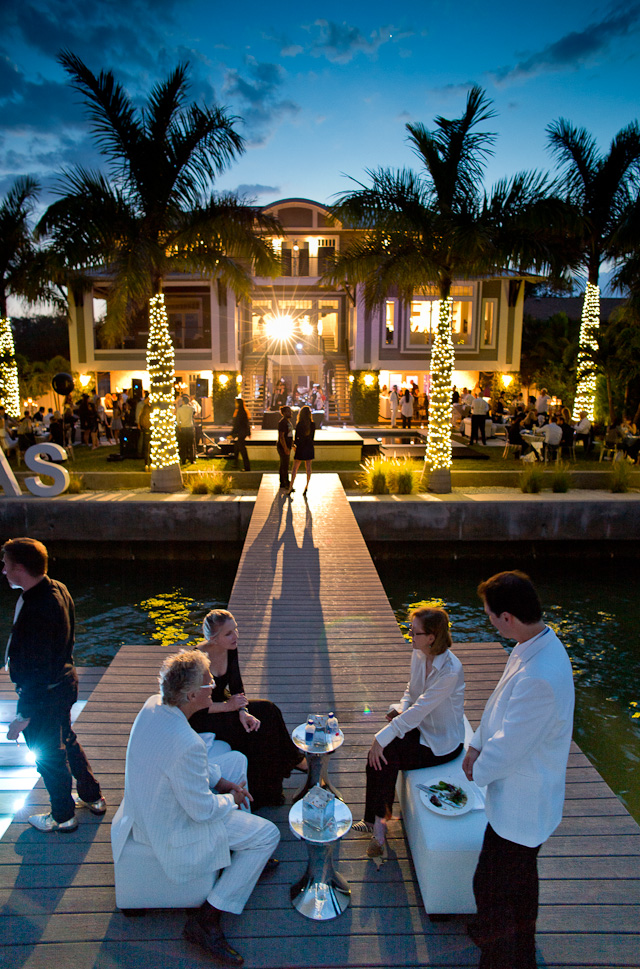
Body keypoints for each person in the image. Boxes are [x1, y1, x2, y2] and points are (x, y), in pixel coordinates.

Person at [111, 649, 280, 967]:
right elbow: (201, 810)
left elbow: (184, 764)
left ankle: (241, 854)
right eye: (208, 681)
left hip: (150, 802)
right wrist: (232, 798)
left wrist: (223, 783)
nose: (214, 682)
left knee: (236, 764)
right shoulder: (184, 744)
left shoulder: (155, 707)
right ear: (191, 694)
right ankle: (206, 921)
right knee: (268, 835)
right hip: (170, 826)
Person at [463, 571, 574, 969]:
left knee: (491, 889)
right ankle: (521, 950)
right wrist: (476, 742)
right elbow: (499, 706)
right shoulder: (534, 644)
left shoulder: (541, 676)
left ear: (507, 617)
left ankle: (500, 959)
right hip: (521, 803)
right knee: (522, 881)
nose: (489, 621)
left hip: (523, 805)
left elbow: (510, 746)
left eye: (491, 616)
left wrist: (476, 771)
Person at [3, 538, 105, 832]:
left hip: (43, 693)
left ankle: (62, 816)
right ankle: (92, 797)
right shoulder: (57, 587)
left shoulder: (37, 610)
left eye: (6, 566)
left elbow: (38, 670)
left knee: (48, 755)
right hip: (64, 684)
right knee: (67, 739)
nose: (4, 571)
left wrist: (23, 716)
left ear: (20, 568)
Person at [353, 607, 465, 858]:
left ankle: (378, 829)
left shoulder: (450, 670)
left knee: (384, 754)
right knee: (379, 758)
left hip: (440, 744)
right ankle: (375, 822)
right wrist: (400, 710)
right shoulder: (419, 653)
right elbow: (411, 693)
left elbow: (423, 707)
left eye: (414, 632)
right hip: (418, 727)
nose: (409, 636)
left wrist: (382, 735)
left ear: (432, 637)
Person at [189, 610, 307, 809]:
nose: (236, 636)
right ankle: (284, 773)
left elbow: (236, 685)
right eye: (228, 633)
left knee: (268, 711)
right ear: (213, 638)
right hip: (203, 717)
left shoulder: (230, 648)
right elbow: (194, 707)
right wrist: (229, 707)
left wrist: (243, 711)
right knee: (253, 731)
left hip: (228, 705)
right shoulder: (196, 660)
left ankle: (291, 762)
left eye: (235, 630)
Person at [288, 404, 315, 497]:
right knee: (308, 467)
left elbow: (297, 437)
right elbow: (312, 437)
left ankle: (290, 486)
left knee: (295, 468)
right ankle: (306, 486)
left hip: (301, 447)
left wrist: (294, 446)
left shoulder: (299, 424)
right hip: (309, 447)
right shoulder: (312, 424)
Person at [231, 398, 251, 472]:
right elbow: (247, 423)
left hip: (241, 432)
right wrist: (248, 432)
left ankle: (247, 467)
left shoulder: (240, 412)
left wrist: (232, 432)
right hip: (243, 432)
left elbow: (237, 424)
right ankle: (236, 463)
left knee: (242, 449)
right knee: (237, 447)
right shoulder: (243, 411)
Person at [176, 394, 196, 465]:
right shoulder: (191, 408)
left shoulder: (179, 410)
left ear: (183, 402)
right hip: (190, 427)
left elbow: (178, 421)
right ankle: (192, 459)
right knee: (191, 444)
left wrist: (179, 428)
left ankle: (183, 460)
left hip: (183, 428)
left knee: (183, 445)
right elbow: (195, 410)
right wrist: (190, 403)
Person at [276, 405, 293, 490]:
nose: (290, 413)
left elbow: (289, 435)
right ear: (283, 413)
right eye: (288, 411)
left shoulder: (287, 422)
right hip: (283, 447)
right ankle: (286, 483)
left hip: (287, 446)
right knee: (285, 465)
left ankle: (283, 482)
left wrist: (292, 444)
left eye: (290, 411)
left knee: (284, 464)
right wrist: (285, 448)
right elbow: (281, 437)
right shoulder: (282, 423)